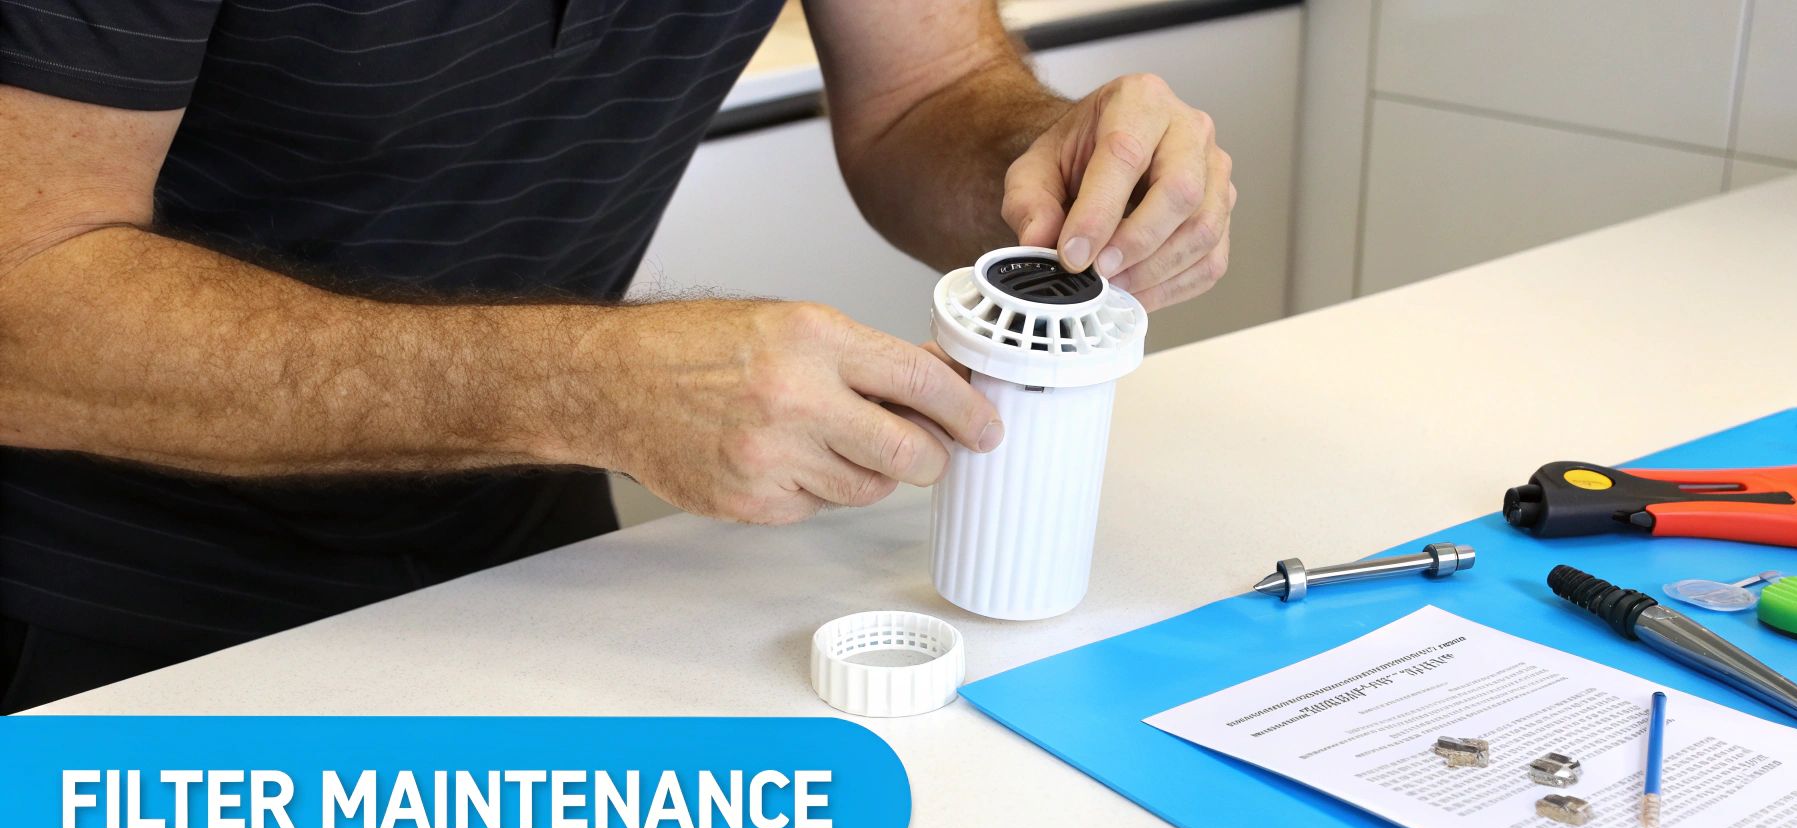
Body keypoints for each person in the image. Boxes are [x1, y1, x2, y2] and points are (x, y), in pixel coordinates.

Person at [0, 0, 1234, 711]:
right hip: (106, 631)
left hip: (532, 580)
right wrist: (582, 383)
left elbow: (929, 90)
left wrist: (1048, 164)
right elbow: (20, 303)